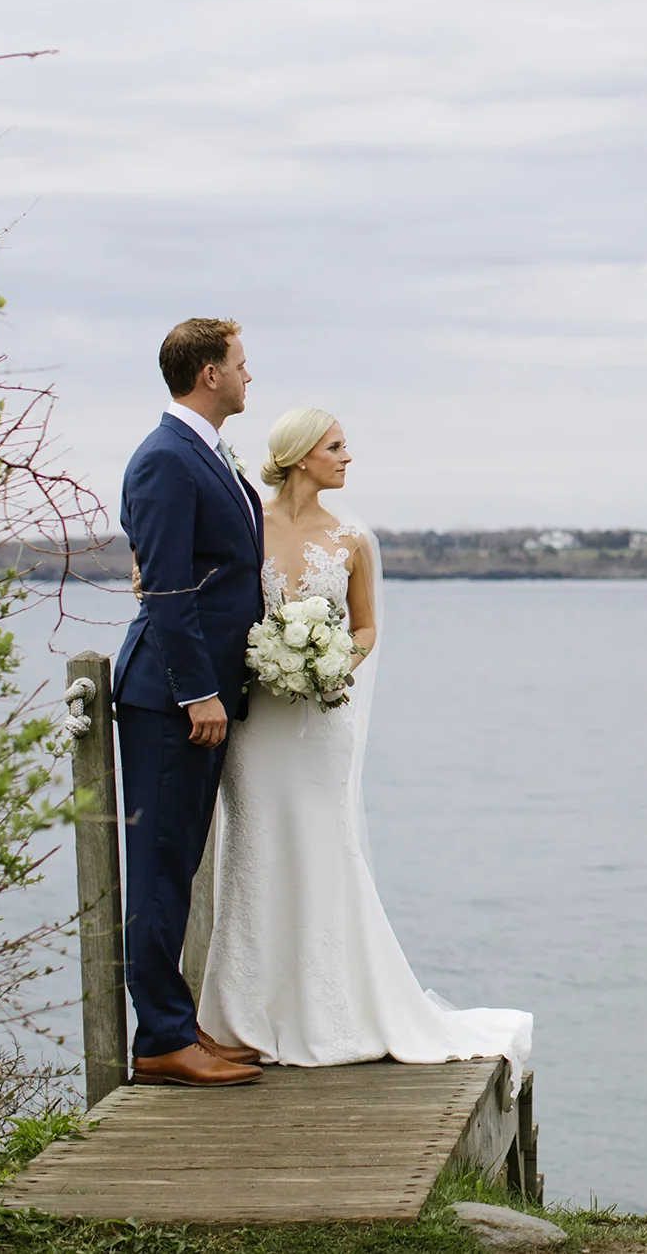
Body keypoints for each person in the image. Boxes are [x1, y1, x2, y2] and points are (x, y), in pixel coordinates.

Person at [196, 407, 531, 1085]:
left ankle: (331, 1008)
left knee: (324, 846)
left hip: (320, 723)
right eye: (336, 446)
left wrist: (331, 664)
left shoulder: (353, 539)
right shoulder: (247, 525)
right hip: (257, 721)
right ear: (301, 456)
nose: (348, 457)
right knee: (254, 850)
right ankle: (242, 1016)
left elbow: (367, 628)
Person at [112, 319, 267, 1087]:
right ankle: (162, 1040)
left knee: (179, 859)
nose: (248, 376)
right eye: (241, 364)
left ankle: (177, 1021)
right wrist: (198, 690)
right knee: (160, 866)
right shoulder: (166, 458)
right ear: (209, 373)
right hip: (169, 698)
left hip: (196, 692)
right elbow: (167, 588)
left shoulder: (202, 451)